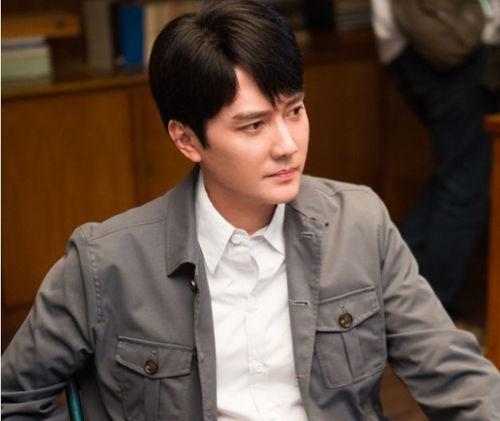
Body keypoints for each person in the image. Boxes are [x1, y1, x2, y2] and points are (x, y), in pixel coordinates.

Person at [2, 1, 499, 419]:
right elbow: (13, 399)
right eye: (254, 126)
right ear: (186, 139)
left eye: (294, 111)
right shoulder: (105, 262)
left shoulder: (359, 224)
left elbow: (455, 376)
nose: (288, 145)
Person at [370, 0, 500, 319]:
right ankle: (427, 315)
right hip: (448, 48)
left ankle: (393, 291)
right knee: (464, 186)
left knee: (456, 176)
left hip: (422, 45)